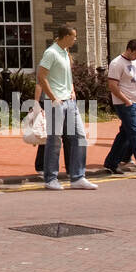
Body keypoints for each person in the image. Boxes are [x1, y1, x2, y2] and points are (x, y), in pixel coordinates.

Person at [37, 25, 97, 191]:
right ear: (65, 36)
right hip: (56, 103)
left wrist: (72, 89)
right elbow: (41, 76)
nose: (75, 39)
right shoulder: (51, 53)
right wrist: (53, 97)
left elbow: (66, 76)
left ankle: (77, 177)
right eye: (73, 36)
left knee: (79, 137)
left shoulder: (64, 53)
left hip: (69, 102)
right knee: (54, 141)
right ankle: (51, 179)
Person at [104, 39, 136, 178]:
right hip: (125, 104)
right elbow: (113, 86)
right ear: (129, 50)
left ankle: (111, 162)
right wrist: (126, 101)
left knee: (125, 134)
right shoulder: (116, 63)